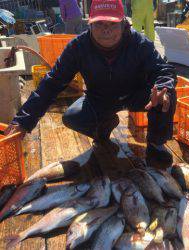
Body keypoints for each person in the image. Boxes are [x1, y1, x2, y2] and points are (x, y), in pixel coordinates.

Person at [5, 0, 177, 165]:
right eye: (100, 24)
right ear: (90, 24)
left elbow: (164, 70)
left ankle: (156, 144)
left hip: (137, 95)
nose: (106, 30)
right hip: (100, 98)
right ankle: (104, 127)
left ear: (124, 24)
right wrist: (23, 121)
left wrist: (164, 88)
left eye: (112, 24)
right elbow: (52, 83)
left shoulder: (139, 43)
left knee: (164, 97)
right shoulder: (78, 47)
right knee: (73, 117)